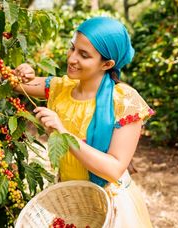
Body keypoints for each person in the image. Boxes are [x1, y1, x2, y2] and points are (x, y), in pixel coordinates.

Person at [13, 16, 154, 227]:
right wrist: (22, 72)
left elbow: (114, 168)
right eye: (73, 48)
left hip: (109, 206)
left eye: (84, 55)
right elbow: (15, 83)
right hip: (72, 202)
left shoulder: (125, 101)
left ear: (107, 64)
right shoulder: (61, 87)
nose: (71, 59)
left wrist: (63, 133)